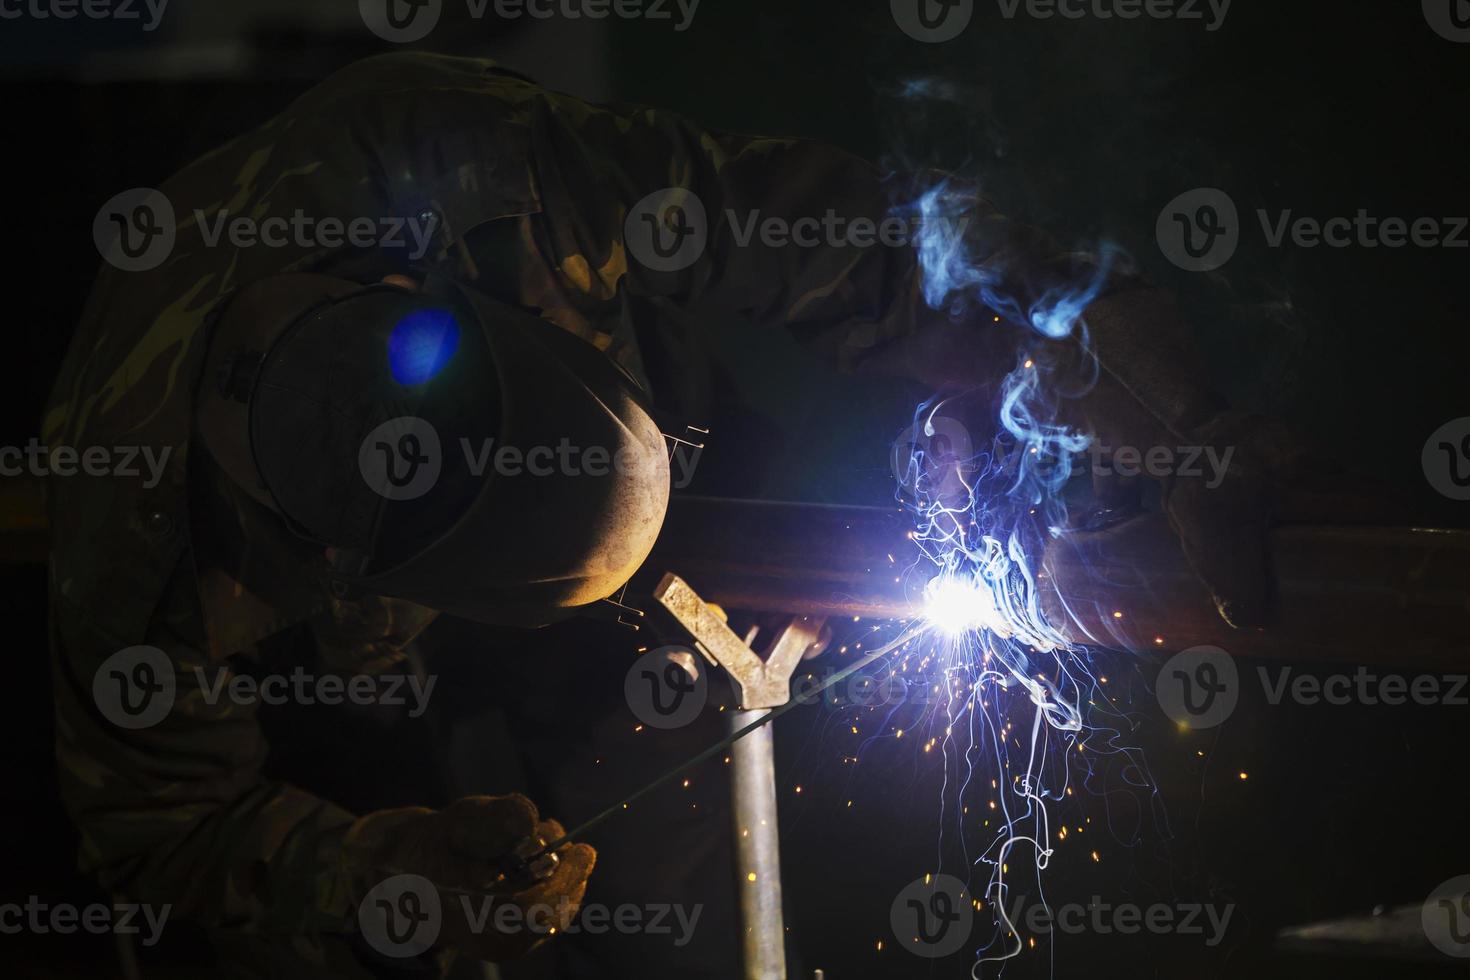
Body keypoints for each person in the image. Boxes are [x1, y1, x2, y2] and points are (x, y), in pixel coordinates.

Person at [48, 51, 1297, 977]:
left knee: (669, 865)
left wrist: (1163, 407)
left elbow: (864, 248)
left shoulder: (482, 169)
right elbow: (167, 834)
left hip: (663, 429)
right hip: (372, 683)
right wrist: (386, 858)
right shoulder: (136, 553)